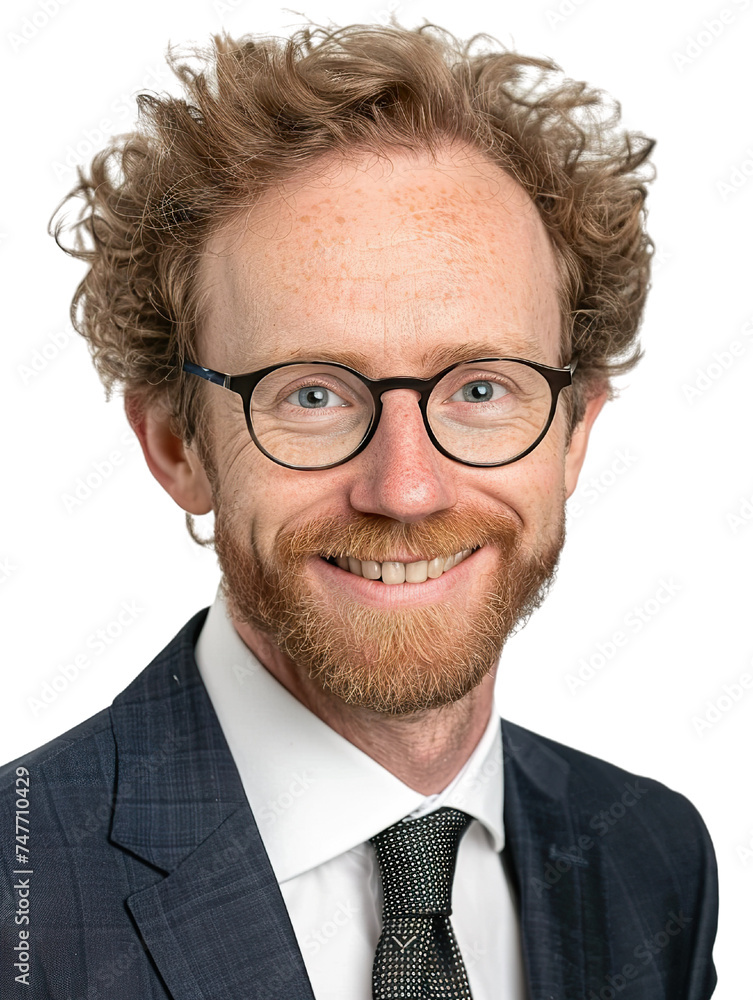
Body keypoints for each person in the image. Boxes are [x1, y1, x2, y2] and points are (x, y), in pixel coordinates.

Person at [0, 21, 717, 1000]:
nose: (406, 488)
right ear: (177, 444)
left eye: (479, 389)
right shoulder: (20, 895)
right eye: (311, 394)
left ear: (575, 431)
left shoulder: (652, 858)